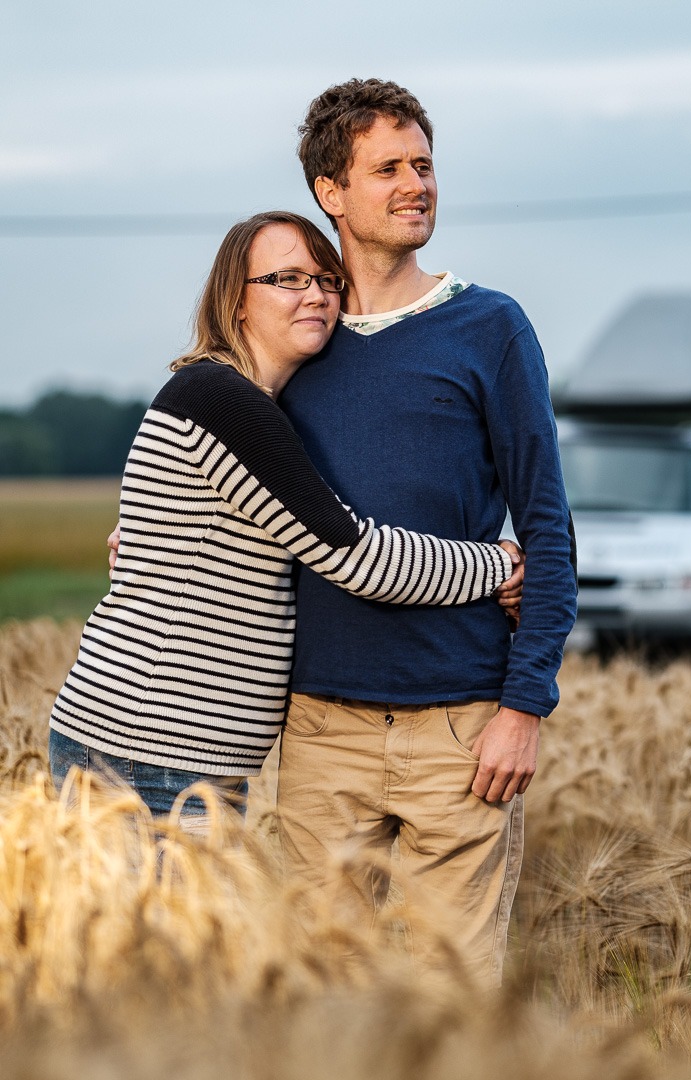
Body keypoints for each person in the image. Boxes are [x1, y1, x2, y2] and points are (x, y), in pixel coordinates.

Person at [50, 210, 524, 822]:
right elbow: (354, 555)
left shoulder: (255, 407)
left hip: (178, 752)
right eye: (288, 279)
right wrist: (499, 563)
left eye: (328, 280)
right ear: (237, 301)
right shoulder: (221, 400)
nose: (317, 295)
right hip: (148, 747)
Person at [273, 79, 578, 986]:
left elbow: (548, 525)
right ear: (331, 191)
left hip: (462, 729)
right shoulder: (289, 334)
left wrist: (524, 707)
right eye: (389, 169)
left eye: (425, 166)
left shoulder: (490, 326)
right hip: (320, 728)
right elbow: (206, 460)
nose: (417, 184)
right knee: (315, 1006)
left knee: (455, 1008)